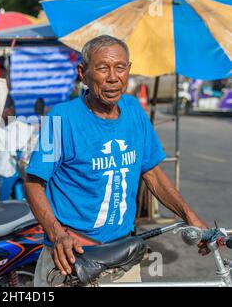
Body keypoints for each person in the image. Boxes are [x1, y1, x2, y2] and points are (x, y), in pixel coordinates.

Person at [24, 35, 209, 287]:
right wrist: (57, 235)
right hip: (73, 259)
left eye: (120, 68)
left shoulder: (134, 110)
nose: (113, 77)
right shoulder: (62, 118)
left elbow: (152, 173)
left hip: (123, 256)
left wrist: (190, 216)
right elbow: (33, 184)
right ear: (83, 73)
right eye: (102, 68)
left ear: (128, 70)